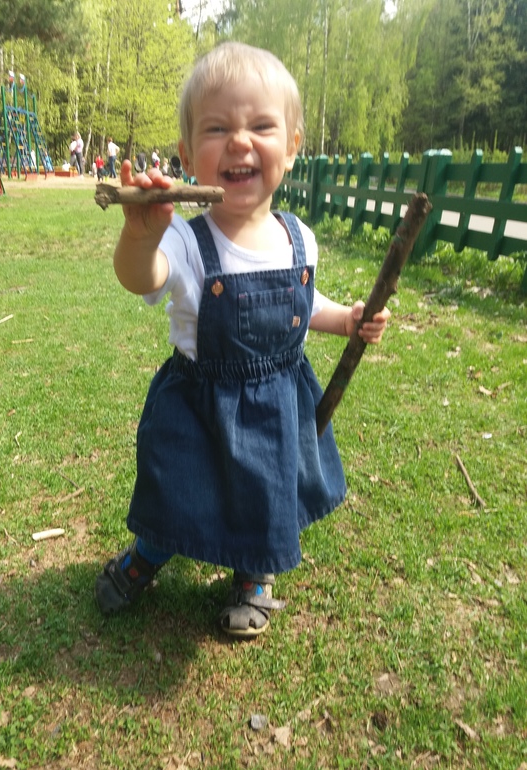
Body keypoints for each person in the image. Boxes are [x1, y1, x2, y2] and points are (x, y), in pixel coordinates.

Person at [95, 42, 390, 638]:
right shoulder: (184, 240)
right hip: (198, 405)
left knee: (265, 490)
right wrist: (140, 237)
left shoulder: (298, 237)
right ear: (187, 155)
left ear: (293, 146)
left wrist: (346, 319)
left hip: (276, 404)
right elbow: (140, 278)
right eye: (217, 128)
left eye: (261, 125)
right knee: (175, 486)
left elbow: (303, 305)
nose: (239, 141)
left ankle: (255, 573)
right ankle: (150, 551)